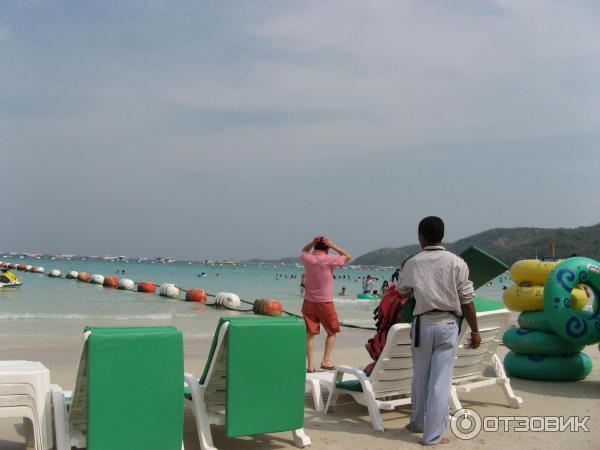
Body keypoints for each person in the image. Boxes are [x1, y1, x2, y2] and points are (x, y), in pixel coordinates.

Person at [396, 216, 479, 445]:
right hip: (448, 326)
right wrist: (475, 331)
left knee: (420, 377)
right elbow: (467, 301)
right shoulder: (457, 262)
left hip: (422, 326)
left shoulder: (413, 262)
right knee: (440, 381)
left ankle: (417, 423)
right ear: (442, 235)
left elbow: (402, 291)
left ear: (420, 236)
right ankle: (432, 435)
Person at [301, 236, 352, 373]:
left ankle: (310, 366)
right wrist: (333, 245)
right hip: (325, 301)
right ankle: (325, 361)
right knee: (332, 331)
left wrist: (311, 243)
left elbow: (303, 250)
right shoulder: (329, 259)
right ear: (327, 248)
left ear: (315, 247)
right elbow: (347, 256)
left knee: (310, 334)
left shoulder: (308, 258)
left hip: (309, 302)